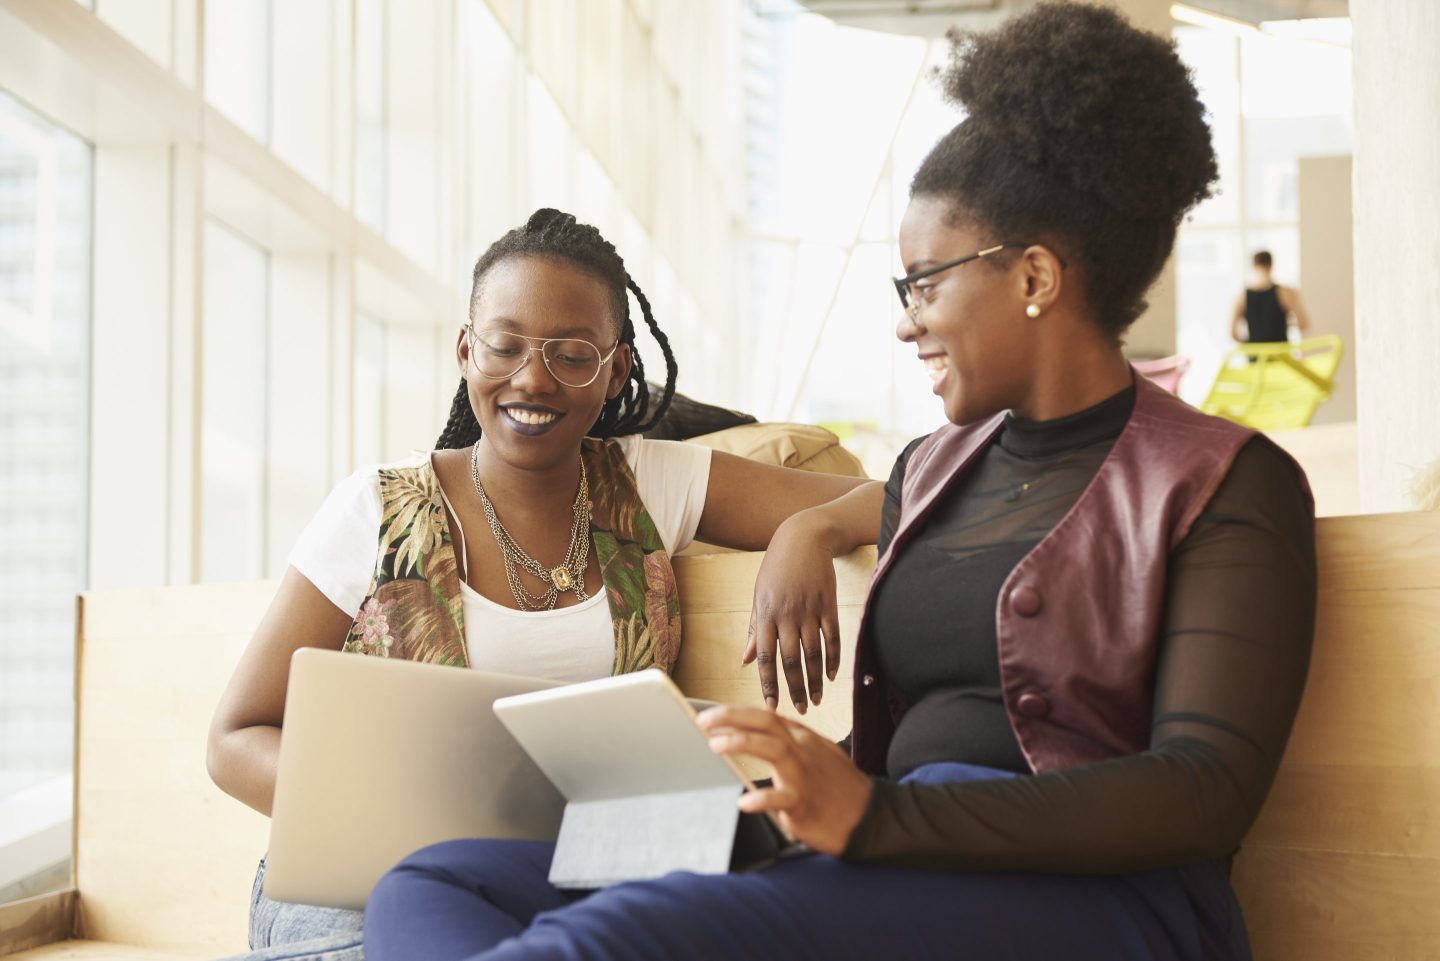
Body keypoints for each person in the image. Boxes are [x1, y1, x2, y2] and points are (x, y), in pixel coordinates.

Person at [359, 5, 1317, 960]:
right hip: (892, 859)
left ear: (1033, 276)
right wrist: (804, 533)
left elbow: (1203, 787)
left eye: (924, 283)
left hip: (1098, 903)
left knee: (618, 937)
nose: (906, 322)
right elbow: (858, 506)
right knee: (437, 878)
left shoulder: (1222, 482)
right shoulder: (935, 472)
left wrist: (875, 817)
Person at [205, 208, 883, 961]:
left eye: (571, 355)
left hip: (552, 886)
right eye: (505, 345)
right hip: (356, 893)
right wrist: (396, 817)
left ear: (615, 369)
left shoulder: (649, 481)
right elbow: (234, 737)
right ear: (466, 349)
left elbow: (906, 495)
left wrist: (809, 530)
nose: (532, 378)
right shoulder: (374, 510)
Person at [1231, 250, 1310, 343]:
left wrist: (1249, 344)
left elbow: (1233, 333)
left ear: (1253, 266)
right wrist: (1287, 324)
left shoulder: (1242, 296)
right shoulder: (1286, 292)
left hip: (1256, 354)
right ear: (1271, 265)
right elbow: (1304, 324)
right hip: (1280, 353)